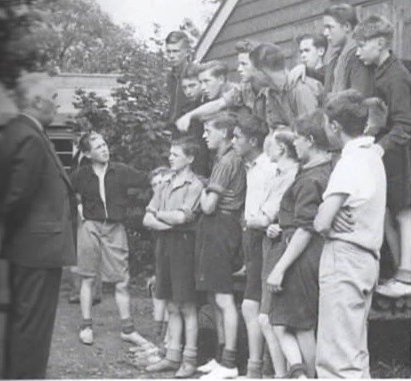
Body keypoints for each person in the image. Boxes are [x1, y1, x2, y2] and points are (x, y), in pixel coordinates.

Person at [1, 72, 77, 378]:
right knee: (32, 331)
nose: (58, 105)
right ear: (35, 101)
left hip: (32, 248)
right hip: (36, 249)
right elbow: (15, 198)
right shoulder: (28, 136)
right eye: (54, 99)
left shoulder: (24, 131)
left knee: (26, 327)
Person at [314, 89, 386, 377]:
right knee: (354, 349)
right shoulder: (372, 155)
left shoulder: (349, 162)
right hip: (368, 258)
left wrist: (327, 219)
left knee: (337, 355)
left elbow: (321, 222)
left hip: (344, 257)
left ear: (334, 126)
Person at [266, 110, 333, 378]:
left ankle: (310, 375)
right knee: (282, 321)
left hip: (301, 256)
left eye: (297, 139)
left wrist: (280, 268)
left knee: (302, 324)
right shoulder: (316, 171)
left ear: (311, 140)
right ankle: (299, 372)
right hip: (295, 248)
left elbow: (306, 229)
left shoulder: (312, 178)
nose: (294, 144)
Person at [70, 132, 150, 348]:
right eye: (98, 147)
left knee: (122, 281)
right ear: (87, 153)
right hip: (90, 227)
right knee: (87, 278)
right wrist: (78, 209)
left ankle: (128, 329)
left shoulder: (120, 170)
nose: (104, 149)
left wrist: (164, 176)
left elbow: (147, 179)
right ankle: (86, 326)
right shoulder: (80, 175)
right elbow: (67, 193)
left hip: (115, 228)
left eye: (104, 144)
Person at [354, 15, 411, 298]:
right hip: (388, 152)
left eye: (362, 44)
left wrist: (380, 146)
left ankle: (407, 275)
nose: (358, 50)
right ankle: (398, 273)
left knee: (404, 212)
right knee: (388, 212)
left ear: (380, 42)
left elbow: (404, 125)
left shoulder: (397, 75)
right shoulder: (377, 71)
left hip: (401, 152)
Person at [143, 138, 204, 378]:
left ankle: (189, 359)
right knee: (169, 303)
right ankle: (172, 357)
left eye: (176, 154)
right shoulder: (165, 183)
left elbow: (183, 217)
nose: (170, 158)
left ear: (190, 158)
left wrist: (159, 215)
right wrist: (167, 222)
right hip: (165, 245)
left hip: (185, 248)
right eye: (170, 154)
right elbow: (146, 219)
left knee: (187, 305)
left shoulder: (195, 185)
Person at [195, 113, 246, 379]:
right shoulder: (223, 159)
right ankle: (220, 356)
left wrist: (201, 187)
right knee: (213, 296)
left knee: (224, 297)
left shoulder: (227, 161)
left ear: (225, 133)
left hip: (222, 228)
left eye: (208, 131)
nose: (205, 136)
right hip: (217, 229)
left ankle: (230, 362)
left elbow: (208, 205)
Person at [231, 114, 275, 378]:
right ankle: (256, 366)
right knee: (252, 304)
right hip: (251, 236)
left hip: (263, 236)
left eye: (237, 137)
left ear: (253, 140)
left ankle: (257, 368)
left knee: (254, 304)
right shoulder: (250, 166)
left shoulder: (268, 167)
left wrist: (261, 222)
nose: (233, 141)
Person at [257, 131, 300, 378]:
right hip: (271, 242)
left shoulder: (293, 175)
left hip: (284, 245)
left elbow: (267, 213)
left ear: (282, 148)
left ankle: (281, 375)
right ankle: (277, 373)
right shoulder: (277, 174)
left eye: (270, 145)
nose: (266, 149)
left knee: (271, 317)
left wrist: (265, 222)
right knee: (268, 318)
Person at [175, 40, 267, 132]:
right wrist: (189, 115)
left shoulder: (270, 88)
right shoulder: (244, 89)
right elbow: (219, 103)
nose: (239, 69)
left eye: (244, 64)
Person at [249, 42, 323, 135]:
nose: (251, 77)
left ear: (261, 70)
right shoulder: (272, 92)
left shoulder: (300, 88)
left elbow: (313, 132)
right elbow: (275, 128)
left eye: (253, 71)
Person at [173, 63, 211, 178]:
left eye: (192, 86)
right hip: (192, 163)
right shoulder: (184, 111)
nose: (188, 91)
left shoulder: (210, 105)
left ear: (201, 83)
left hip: (211, 162)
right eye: (184, 88)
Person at [165, 31, 192, 123]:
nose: (171, 56)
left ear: (187, 52)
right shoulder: (168, 78)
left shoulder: (196, 75)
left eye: (175, 51)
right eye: (168, 51)